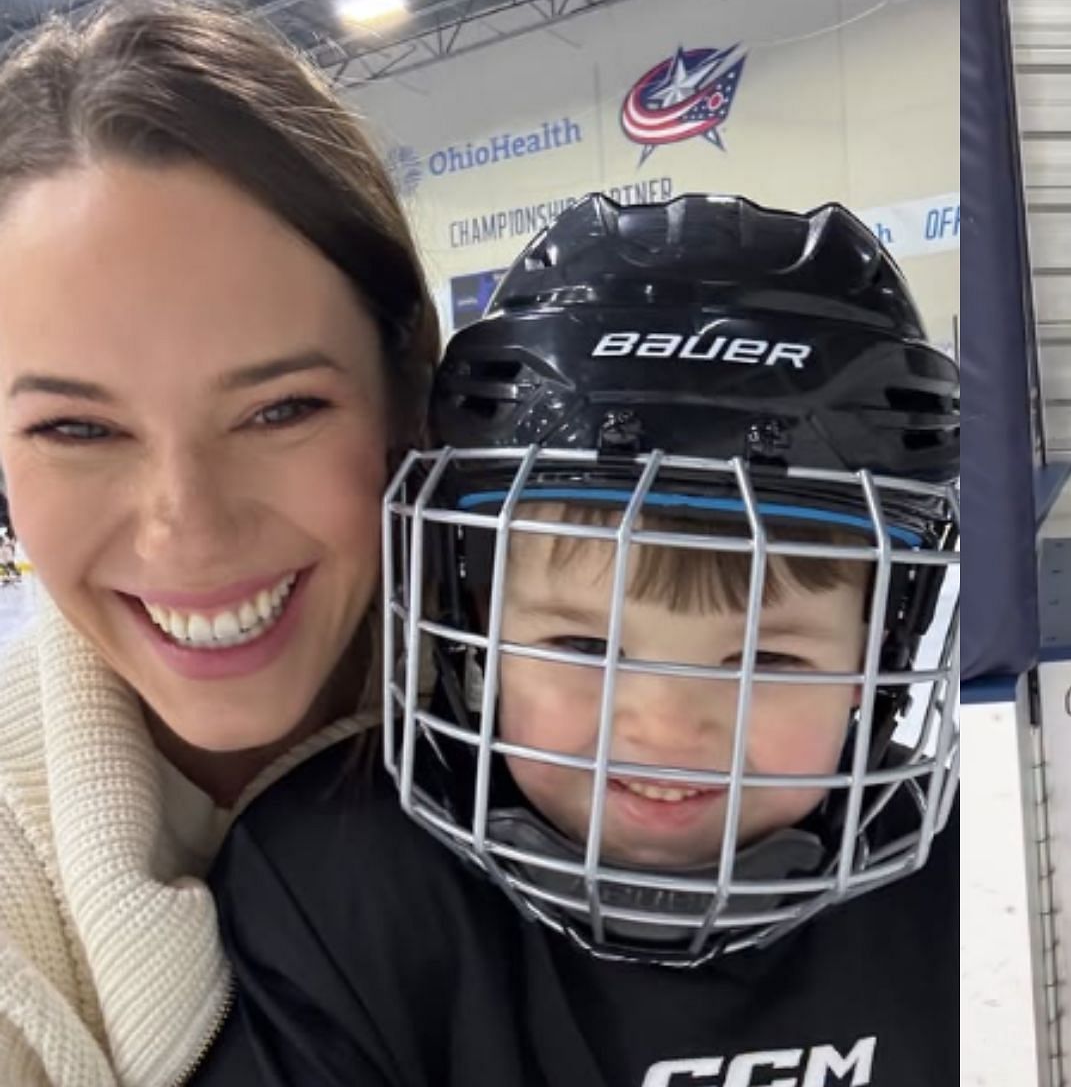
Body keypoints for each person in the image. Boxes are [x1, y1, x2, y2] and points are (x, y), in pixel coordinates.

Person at [191, 194, 961, 1086]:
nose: (668, 729)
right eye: (586, 647)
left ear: (882, 653)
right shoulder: (346, 897)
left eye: (767, 660)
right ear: (476, 622)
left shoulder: (958, 889)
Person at [0, 0, 440, 1087]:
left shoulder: (639, 731)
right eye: (77, 427)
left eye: (280, 408)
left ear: (404, 394)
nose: (186, 525)